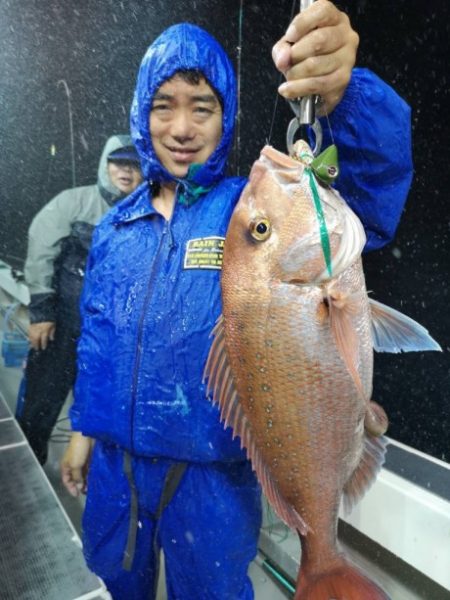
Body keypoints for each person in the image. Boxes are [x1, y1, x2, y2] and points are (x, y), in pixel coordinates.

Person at [61, 3, 413, 599]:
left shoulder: (242, 209)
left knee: (213, 590)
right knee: (118, 578)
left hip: (213, 472)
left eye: (203, 108)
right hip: (116, 468)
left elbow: (366, 201)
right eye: (162, 106)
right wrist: (81, 432)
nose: (181, 127)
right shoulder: (113, 227)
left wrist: (341, 97)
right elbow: (97, 340)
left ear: (226, 118)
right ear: (140, 117)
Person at [18, 136, 143, 464]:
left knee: (102, 409)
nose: (126, 171)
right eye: (118, 162)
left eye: (135, 164)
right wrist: (42, 312)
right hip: (62, 325)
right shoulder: (73, 202)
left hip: (110, 336)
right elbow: (41, 250)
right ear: (105, 163)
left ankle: (90, 471)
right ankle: (28, 468)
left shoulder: (148, 212)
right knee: (40, 402)